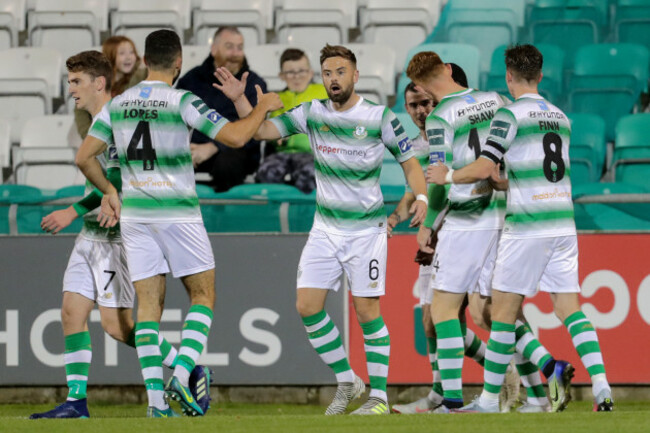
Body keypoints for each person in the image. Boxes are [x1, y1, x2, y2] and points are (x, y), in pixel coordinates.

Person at [75, 30, 283, 418]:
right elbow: (237, 139)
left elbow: (85, 156)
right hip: (179, 212)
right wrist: (262, 108)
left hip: (136, 215)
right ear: (178, 63)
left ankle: (156, 406)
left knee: (148, 311)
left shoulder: (118, 104)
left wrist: (109, 191)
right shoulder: (182, 99)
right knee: (203, 296)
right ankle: (182, 373)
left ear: (144, 61)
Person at [215, 44, 428, 415]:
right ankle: (347, 379)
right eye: (328, 73)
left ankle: (378, 397)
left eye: (341, 72)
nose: (334, 79)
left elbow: (410, 164)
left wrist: (422, 199)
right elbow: (263, 130)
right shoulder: (312, 112)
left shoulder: (379, 117)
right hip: (325, 228)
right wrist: (241, 102)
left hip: (365, 232)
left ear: (356, 75)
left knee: (366, 312)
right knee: (307, 306)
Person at [427, 44, 614, 413]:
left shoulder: (509, 117)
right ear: (541, 76)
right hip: (562, 224)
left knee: (502, 315)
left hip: (526, 226)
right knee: (571, 311)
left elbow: (482, 167)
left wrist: (447, 174)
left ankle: (486, 402)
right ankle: (603, 388)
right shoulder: (561, 116)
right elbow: (537, 171)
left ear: (508, 76)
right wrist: (501, 184)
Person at [30, 51, 204, 419]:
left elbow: (123, 179)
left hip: (118, 240)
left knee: (118, 326)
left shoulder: (119, 118)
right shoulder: (96, 121)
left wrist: (72, 209)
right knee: (70, 312)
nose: (71, 89)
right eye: (69, 81)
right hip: (90, 236)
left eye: (77, 81)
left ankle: (188, 368)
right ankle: (76, 401)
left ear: (99, 83)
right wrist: (97, 203)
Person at [406, 51, 567, 413]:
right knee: (496, 312)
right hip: (503, 211)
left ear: (423, 87)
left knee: (445, 311)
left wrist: (430, 224)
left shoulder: (439, 118)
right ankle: (547, 371)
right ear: (447, 69)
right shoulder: (495, 100)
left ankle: (450, 400)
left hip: (467, 218)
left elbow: (438, 180)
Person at [389, 78, 497, 414]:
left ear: (436, 101)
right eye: (413, 105)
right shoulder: (415, 147)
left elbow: (452, 187)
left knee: (474, 314)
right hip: (434, 237)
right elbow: (415, 190)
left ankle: (492, 376)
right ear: (406, 109)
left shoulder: (450, 133)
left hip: (460, 233)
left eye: (425, 103)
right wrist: (393, 218)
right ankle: (443, 392)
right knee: (432, 321)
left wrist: (433, 225)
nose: (421, 111)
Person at [176, 26, 267, 192]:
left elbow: (254, 130)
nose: (235, 53)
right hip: (194, 147)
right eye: (229, 46)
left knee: (227, 165)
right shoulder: (191, 80)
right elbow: (176, 118)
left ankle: (223, 215)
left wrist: (214, 146)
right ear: (214, 49)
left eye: (240, 48)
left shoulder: (255, 84)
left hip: (235, 150)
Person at [255, 48, 327, 193]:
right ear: (281, 76)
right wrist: (277, 138)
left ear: (311, 73)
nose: (296, 77)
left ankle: (304, 212)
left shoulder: (323, 92)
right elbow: (272, 128)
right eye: (290, 73)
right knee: (266, 172)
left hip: (311, 153)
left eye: (302, 71)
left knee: (310, 173)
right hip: (282, 153)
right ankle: (275, 212)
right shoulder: (277, 99)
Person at [74, 36, 147, 139]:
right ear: (110, 56)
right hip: (101, 140)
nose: (128, 57)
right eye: (122, 53)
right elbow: (81, 109)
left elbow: (132, 99)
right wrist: (90, 137)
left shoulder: (142, 75)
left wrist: (138, 72)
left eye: (132, 52)